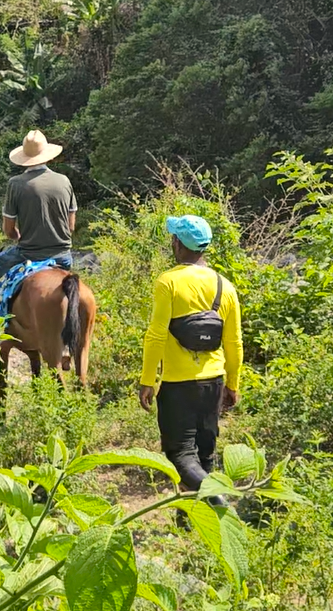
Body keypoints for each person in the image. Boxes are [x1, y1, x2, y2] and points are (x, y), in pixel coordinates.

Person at [139, 215, 243, 502]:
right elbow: (234, 342)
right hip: (214, 382)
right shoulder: (225, 286)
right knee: (204, 455)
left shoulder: (168, 282)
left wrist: (147, 380)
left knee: (181, 455)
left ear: (177, 243)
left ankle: (220, 502)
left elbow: (156, 336)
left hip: (177, 385)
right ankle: (191, 519)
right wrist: (233, 384)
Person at [0, 130, 77, 318]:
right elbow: (71, 227)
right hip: (63, 257)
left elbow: (9, 230)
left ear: (24, 158)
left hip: (28, 254)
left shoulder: (16, 184)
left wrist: (19, 236)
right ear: (48, 155)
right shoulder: (64, 181)